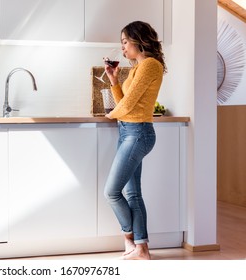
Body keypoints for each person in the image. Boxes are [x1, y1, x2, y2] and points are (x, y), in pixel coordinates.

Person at [103, 21, 167, 260]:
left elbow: (127, 106)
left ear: (139, 40)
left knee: (112, 192)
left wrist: (109, 115)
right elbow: (124, 101)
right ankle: (141, 248)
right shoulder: (137, 67)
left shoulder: (150, 65)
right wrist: (114, 80)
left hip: (138, 133)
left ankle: (129, 239)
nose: (122, 47)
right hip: (128, 131)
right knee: (133, 194)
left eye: (125, 41)